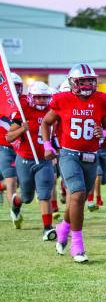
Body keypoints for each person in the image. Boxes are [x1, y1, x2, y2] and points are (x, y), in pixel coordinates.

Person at [41, 63, 106, 263]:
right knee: (79, 193)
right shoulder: (63, 99)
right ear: (73, 82)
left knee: (77, 200)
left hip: (91, 156)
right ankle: (77, 246)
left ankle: (63, 228)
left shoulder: (101, 100)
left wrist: (105, 132)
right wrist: (47, 145)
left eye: (91, 80)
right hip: (69, 155)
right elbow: (46, 122)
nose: (88, 85)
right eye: (83, 81)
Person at [6, 82, 56, 240]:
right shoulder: (23, 111)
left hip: (44, 159)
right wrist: (22, 129)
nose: (41, 100)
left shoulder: (52, 112)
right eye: (38, 97)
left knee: (44, 193)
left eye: (44, 97)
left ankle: (47, 228)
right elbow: (9, 137)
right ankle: (16, 202)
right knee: (26, 197)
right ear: (31, 97)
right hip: (25, 159)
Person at [1, 72, 24, 212]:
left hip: (22, 149)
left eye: (17, 86)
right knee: (11, 179)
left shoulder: (26, 103)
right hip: (4, 147)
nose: (14, 90)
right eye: (11, 87)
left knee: (23, 182)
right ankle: (15, 211)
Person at [86, 111, 106, 211]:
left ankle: (94, 198)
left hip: (105, 149)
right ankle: (93, 199)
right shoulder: (88, 111)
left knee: (103, 179)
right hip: (93, 149)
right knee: (97, 174)